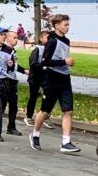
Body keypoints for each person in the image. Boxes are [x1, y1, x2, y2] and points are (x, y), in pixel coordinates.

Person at [30, 14, 80, 154]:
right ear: (57, 25)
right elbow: (45, 62)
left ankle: (66, 142)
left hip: (65, 79)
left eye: (68, 25)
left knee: (68, 110)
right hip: (51, 79)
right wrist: (64, 62)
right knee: (45, 111)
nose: (67, 27)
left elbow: (64, 58)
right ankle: (35, 134)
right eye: (65, 25)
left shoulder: (66, 41)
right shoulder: (51, 41)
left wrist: (67, 63)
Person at [25, 31, 53, 128]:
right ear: (41, 39)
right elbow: (32, 64)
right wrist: (44, 66)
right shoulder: (38, 49)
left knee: (48, 97)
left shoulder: (51, 50)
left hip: (46, 78)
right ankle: (29, 116)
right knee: (33, 97)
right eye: (47, 37)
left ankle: (45, 116)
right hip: (35, 77)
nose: (49, 39)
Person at [3, 30, 26, 137]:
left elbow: (15, 66)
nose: (17, 40)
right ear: (7, 38)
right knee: (0, 106)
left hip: (12, 80)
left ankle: (11, 127)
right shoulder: (4, 51)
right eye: (14, 38)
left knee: (13, 105)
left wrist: (24, 70)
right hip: (4, 80)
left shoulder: (13, 51)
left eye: (17, 38)